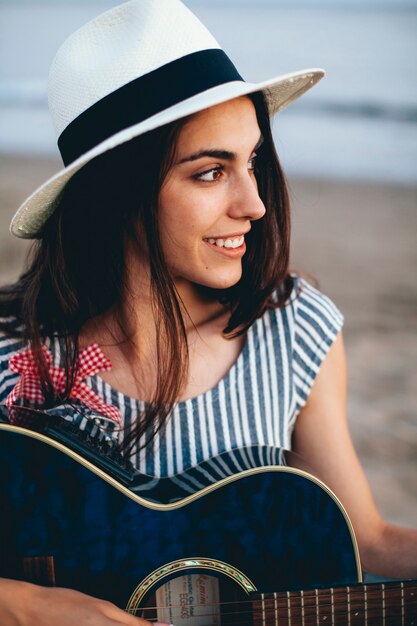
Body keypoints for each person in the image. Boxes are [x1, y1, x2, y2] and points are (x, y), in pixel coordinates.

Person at [0, 0, 416, 624]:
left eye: (251, 162)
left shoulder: (295, 331)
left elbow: (365, 539)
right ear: (118, 192)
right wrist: (23, 605)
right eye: (210, 172)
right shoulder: (14, 353)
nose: (255, 204)